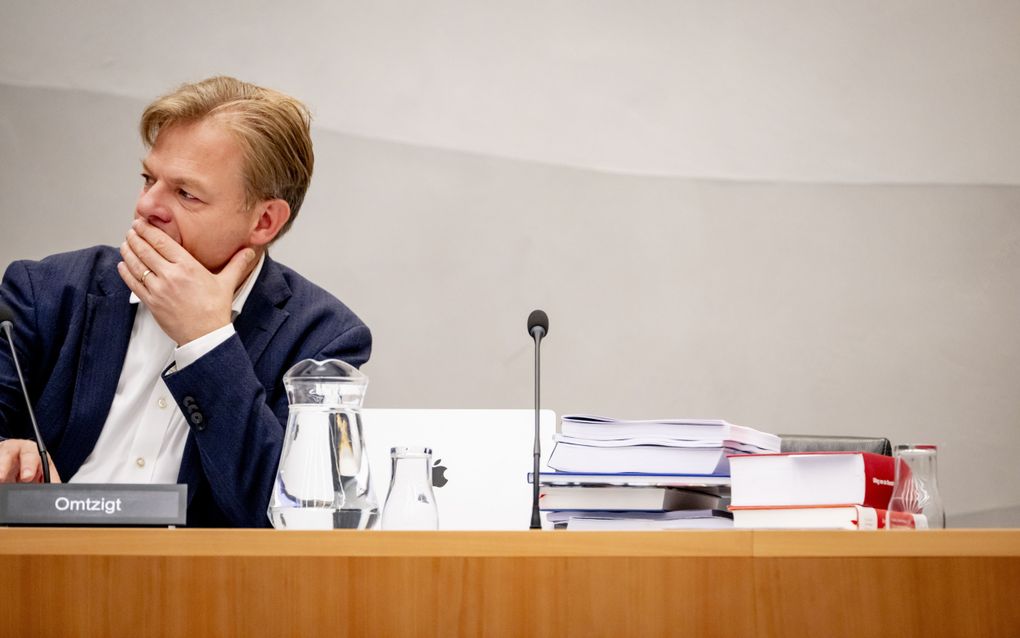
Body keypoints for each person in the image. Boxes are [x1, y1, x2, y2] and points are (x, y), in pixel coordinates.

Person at [0, 76, 372, 527]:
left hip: (196, 590)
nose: (147, 206)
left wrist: (206, 342)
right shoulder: (46, 293)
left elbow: (289, 519)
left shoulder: (321, 339)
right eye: (148, 179)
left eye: (185, 193)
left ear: (264, 221)